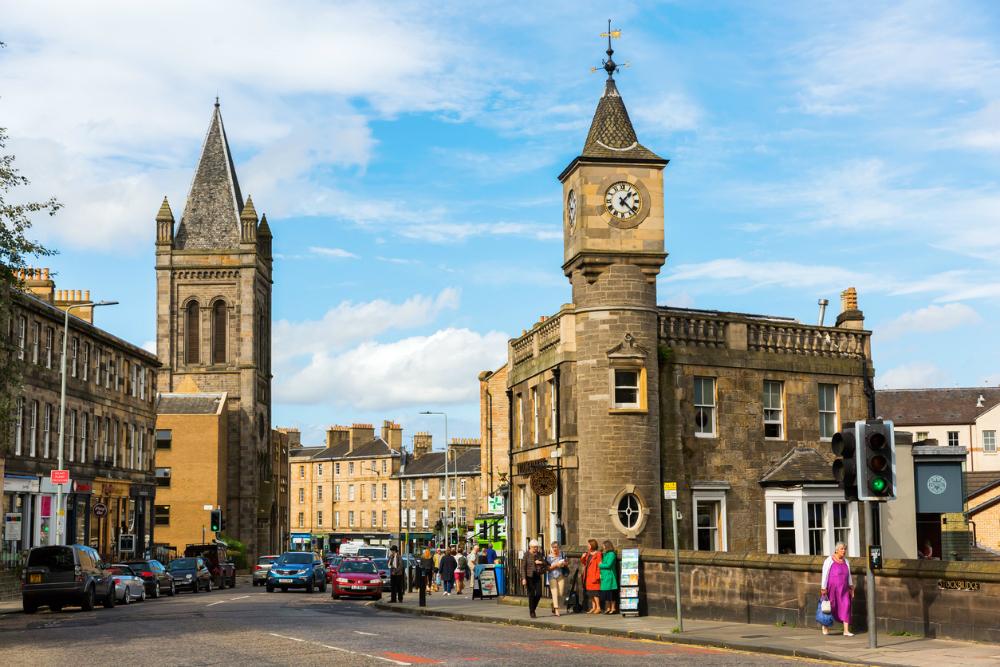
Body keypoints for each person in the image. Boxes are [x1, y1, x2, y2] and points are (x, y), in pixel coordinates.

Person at [820, 541, 855, 636]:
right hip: (832, 589)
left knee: (846, 605)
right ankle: (825, 625)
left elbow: (849, 575)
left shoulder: (846, 561)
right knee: (830, 607)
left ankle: (846, 630)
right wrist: (823, 587)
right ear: (836, 550)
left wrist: (851, 586)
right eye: (842, 549)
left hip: (844, 589)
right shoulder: (829, 560)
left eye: (845, 549)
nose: (844, 551)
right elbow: (825, 574)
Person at [521, 539, 546, 618]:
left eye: (536, 547)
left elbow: (545, 563)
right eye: (534, 547)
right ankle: (532, 612)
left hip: (537, 575)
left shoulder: (539, 554)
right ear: (530, 547)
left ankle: (532, 608)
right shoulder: (526, 555)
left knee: (539, 594)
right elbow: (523, 567)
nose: (536, 549)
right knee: (531, 594)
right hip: (529, 577)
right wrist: (524, 578)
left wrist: (540, 562)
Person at [546, 541, 568, 617]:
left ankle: (553, 604)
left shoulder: (562, 554)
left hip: (560, 575)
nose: (555, 549)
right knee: (554, 593)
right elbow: (548, 568)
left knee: (560, 593)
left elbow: (566, 563)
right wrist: (556, 565)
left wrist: (564, 563)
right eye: (553, 547)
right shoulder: (549, 557)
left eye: (556, 547)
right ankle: (556, 609)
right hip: (552, 576)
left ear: (559, 547)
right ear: (552, 548)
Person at [580, 539, 602, 614]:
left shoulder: (598, 554)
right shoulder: (588, 553)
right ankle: (593, 607)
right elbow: (584, 563)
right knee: (590, 593)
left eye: (589, 545)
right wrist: (583, 557)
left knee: (595, 593)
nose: (587, 546)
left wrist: (597, 576)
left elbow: (599, 565)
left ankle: (598, 607)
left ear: (592, 545)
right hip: (588, 575)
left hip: (594, 575)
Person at [599, 540, 618, 614]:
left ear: (607, 546)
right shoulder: (605, 554)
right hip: (604, 576)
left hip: (610, 576)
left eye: (603, 545)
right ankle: (608, 608)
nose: (602, 547)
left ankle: (613, 608)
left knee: (611, 594)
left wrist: (600, 565)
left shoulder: (611, 554)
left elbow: (608, 565)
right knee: (605, 594)